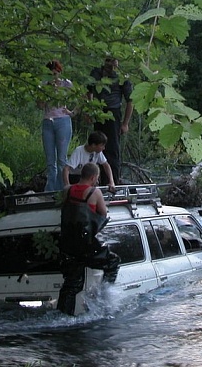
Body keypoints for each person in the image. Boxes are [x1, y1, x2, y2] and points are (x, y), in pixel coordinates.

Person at [56, 163, 120, 315]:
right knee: (113, 262)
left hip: (68, 246)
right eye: (97, 178)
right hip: (87, 245)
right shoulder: (95, 192)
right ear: (93, 177)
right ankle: (103, 295)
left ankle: (62, 315)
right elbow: (103, 214)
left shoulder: (67, 190)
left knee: (72, 284)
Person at [88, 56, 133, 185]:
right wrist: (90, 109)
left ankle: (113, 183)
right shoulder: (96, 73)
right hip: (98, 111)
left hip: (113, 114)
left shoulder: (122, 77)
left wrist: (125, 123)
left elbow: (130, 100)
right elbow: (88, 91)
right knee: (97, 146)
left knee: (112, 149)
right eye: (108, 61)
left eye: (114, 62)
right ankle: (98, 180)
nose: (111, 65)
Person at [39, 59, 74, 192]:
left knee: (61, 159)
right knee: (50, 160)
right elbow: (40, 105)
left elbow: (81, 97)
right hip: (48, 121)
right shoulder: (43, 85)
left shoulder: (66, 84)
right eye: (50, 74)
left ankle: (62, 190)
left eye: (55, 74)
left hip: (63, 121)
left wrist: (72, 112)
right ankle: (50, 191)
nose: (53, 77)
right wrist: (46, 91)